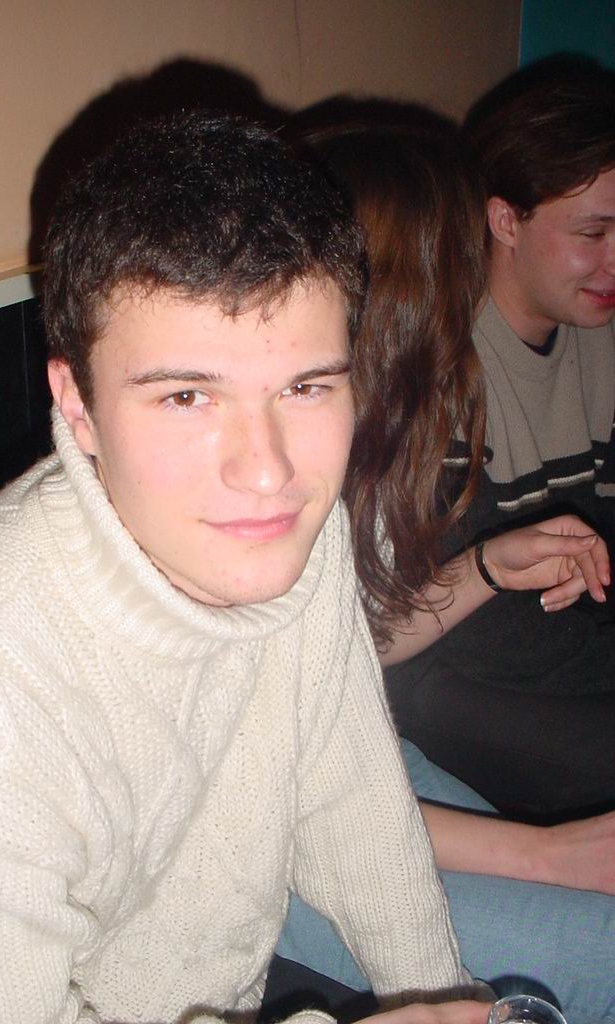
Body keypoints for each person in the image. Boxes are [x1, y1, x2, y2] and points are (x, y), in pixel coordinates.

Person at [0, 112, 606, 1024]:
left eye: (307, 386)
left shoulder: (295, 531)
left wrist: (440, 997)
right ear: (77, 406)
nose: (268, 470)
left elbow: (350, 799)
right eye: (186, 396)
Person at [274, 120, 615, 1024]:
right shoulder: (261, 487)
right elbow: (274, 804)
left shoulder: (373, 435)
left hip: (354, 762)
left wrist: (487, 568)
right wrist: (548, 853)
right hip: (257, 844)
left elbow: (361, 648)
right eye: (464, 262)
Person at [383, 61, 615, 821]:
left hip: (572, 648)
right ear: (505, 221)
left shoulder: (598, 335)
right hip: (453, 672)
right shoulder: (439, 363)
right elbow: (458, 625)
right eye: (593, 232)